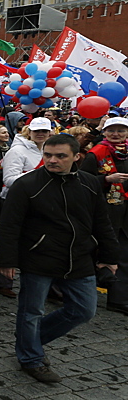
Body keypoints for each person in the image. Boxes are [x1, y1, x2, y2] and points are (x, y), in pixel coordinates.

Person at [0, 134, 119, 383]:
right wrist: (6, 260)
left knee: (84, 309)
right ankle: (30, 357)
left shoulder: (89, 183)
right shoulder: (26, 184)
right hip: (38, 257)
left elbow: (101, 222)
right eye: (48, 155)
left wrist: (109, 256)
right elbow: (10, 225)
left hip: (79, 256)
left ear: (76, 157)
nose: (52, 160)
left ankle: (30, 341)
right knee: (31, 311)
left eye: (60, 156)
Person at [0, 117, 53, 297]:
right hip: (16, 202)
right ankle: (2, 281)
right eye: (37, 131)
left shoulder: (50, 150)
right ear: (30, 131)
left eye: (44, 131)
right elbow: (9, 180)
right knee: (11, 241)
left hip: (41, 202)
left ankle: (50, 285)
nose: (41, 134)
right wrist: (40, 174)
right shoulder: (17, 150)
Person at [78, 116, 128, 316]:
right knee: (96, 253)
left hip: (125, 213)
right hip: (104, 212)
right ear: (105, 132)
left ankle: (119, 298)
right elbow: (82, 182)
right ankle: (81, 293)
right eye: (112, 130)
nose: (116, 134)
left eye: (121, 130)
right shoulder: (96, 153)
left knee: (123, 255)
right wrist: (106, 179)